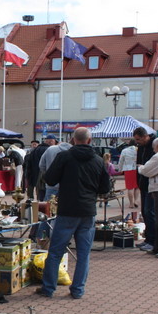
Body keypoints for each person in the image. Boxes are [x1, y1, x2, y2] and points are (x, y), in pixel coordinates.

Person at [35, 127, 110, 299]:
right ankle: (77, 290)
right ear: (90, 141)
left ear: (73, 140)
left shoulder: (65, 156)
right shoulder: (98, 160)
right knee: (83, 254)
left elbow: (50, 179)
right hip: (88, 211)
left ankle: (48, 289)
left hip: (67, 209)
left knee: (56, 251)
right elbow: (105, 188)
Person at [133, 127, 157, 252]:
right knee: (145, 212)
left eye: (138, 139)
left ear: (144, 136)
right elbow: (138, 165)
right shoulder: (141, 147)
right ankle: (148, 239)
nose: (137, 142)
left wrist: (142, 170)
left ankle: (153, 241)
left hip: (151, 185)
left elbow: (149, 167)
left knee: (150, 212)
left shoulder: (154, 145)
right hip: (143, 184)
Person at [39, 138, 72, 202]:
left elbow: (41, 165)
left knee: (48, 208)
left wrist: (48, 174)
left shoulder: (50, 149)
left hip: (51, 185)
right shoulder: (73, 151)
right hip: (68, 186)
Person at [25, 137, 51, 201]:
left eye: (35, 144)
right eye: (33, 144)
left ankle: (32, 199)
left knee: (34, 185)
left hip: (33, 172)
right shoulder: (49, 149)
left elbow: (28, 163)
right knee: (41, 187)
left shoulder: (33, 151)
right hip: (45, 172)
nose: (34, 145)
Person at [117, 140, 140, 208]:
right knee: (137, 187)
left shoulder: (125, 151)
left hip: (128, 169)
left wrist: (120, 169)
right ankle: (136, 200)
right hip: (137, 168)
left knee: (130, 188)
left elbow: (121, 160)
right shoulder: (138, 150)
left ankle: (131, 203)